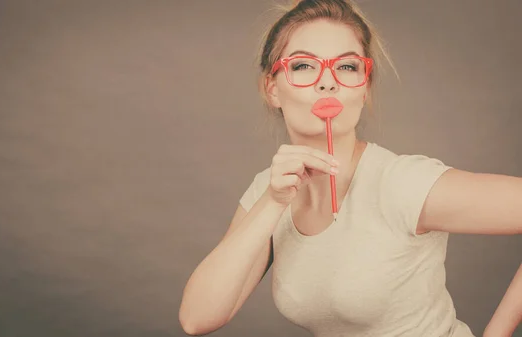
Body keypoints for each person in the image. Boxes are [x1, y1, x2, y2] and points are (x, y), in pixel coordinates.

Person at [178, 0, 522, 336]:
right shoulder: (269, 190)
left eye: (347, 67)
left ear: (364, 89)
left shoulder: (401, 183)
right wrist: (273, 201)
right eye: (302, 66)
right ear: (273, 90)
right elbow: (197, 319)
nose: (328, 82)